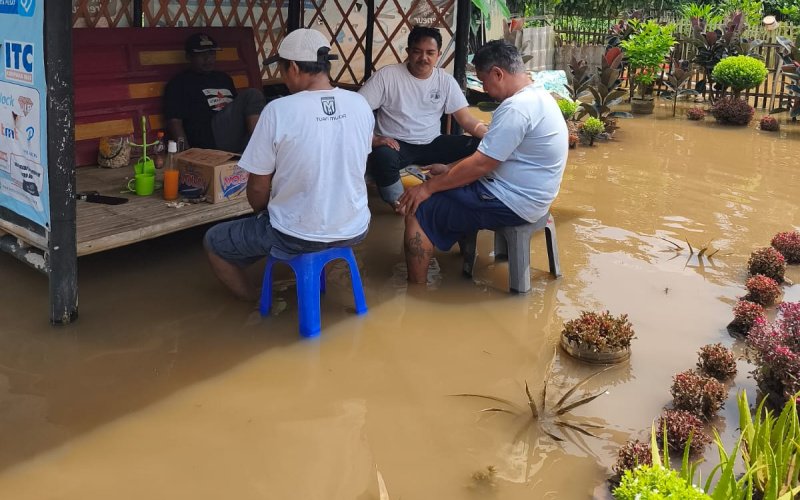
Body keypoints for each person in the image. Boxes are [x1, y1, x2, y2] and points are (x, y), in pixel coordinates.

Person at [204, 29, 374, 300]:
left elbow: (257, 189)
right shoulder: (360, 104)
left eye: (282, 70)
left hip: (298, 233)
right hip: (355, 227)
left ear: (293, 67)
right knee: (287, 226)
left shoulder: (278, 110)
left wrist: (265, 213)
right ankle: (312, 284)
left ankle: (257, 306)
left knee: (215, 241)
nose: (283, 78)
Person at [397, 40, 569, 284]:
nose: (484, 89)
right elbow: (493, 155)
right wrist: (449, 169)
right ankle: (457, 248)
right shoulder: (540, 97)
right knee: (446, 183)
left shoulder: (516, 109)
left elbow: (481, 165)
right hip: (533, 197)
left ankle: (416, 292)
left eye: (483, 80)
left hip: (512, 201)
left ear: (498, 74)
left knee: (419, 208)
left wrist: (426, 188)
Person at [358, 25, 488, 207]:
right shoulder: (387, 76)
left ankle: (457, 190)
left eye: (430, 52)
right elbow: (356, 111)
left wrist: (490, 138)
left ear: (438, 54)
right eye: (417, 52)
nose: (423, 58)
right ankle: (400, 203)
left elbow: (466, 119)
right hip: (396, 144)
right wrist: (373, 138)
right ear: (408, 51)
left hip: (432, 142)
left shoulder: (445, 80)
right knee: (383, 157)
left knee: (479, 146)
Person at [164, 32, 266, 153]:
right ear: (189, 57)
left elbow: (237, 111)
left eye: (212, 53)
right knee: (253, 94)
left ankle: (262, 147)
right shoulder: (180, 83)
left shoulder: (223, 78)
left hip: (232, 134)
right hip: (210, 138)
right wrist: (185, 153)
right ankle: (260, 150)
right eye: (201, 54)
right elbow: (174, 121)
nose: (208, 59)